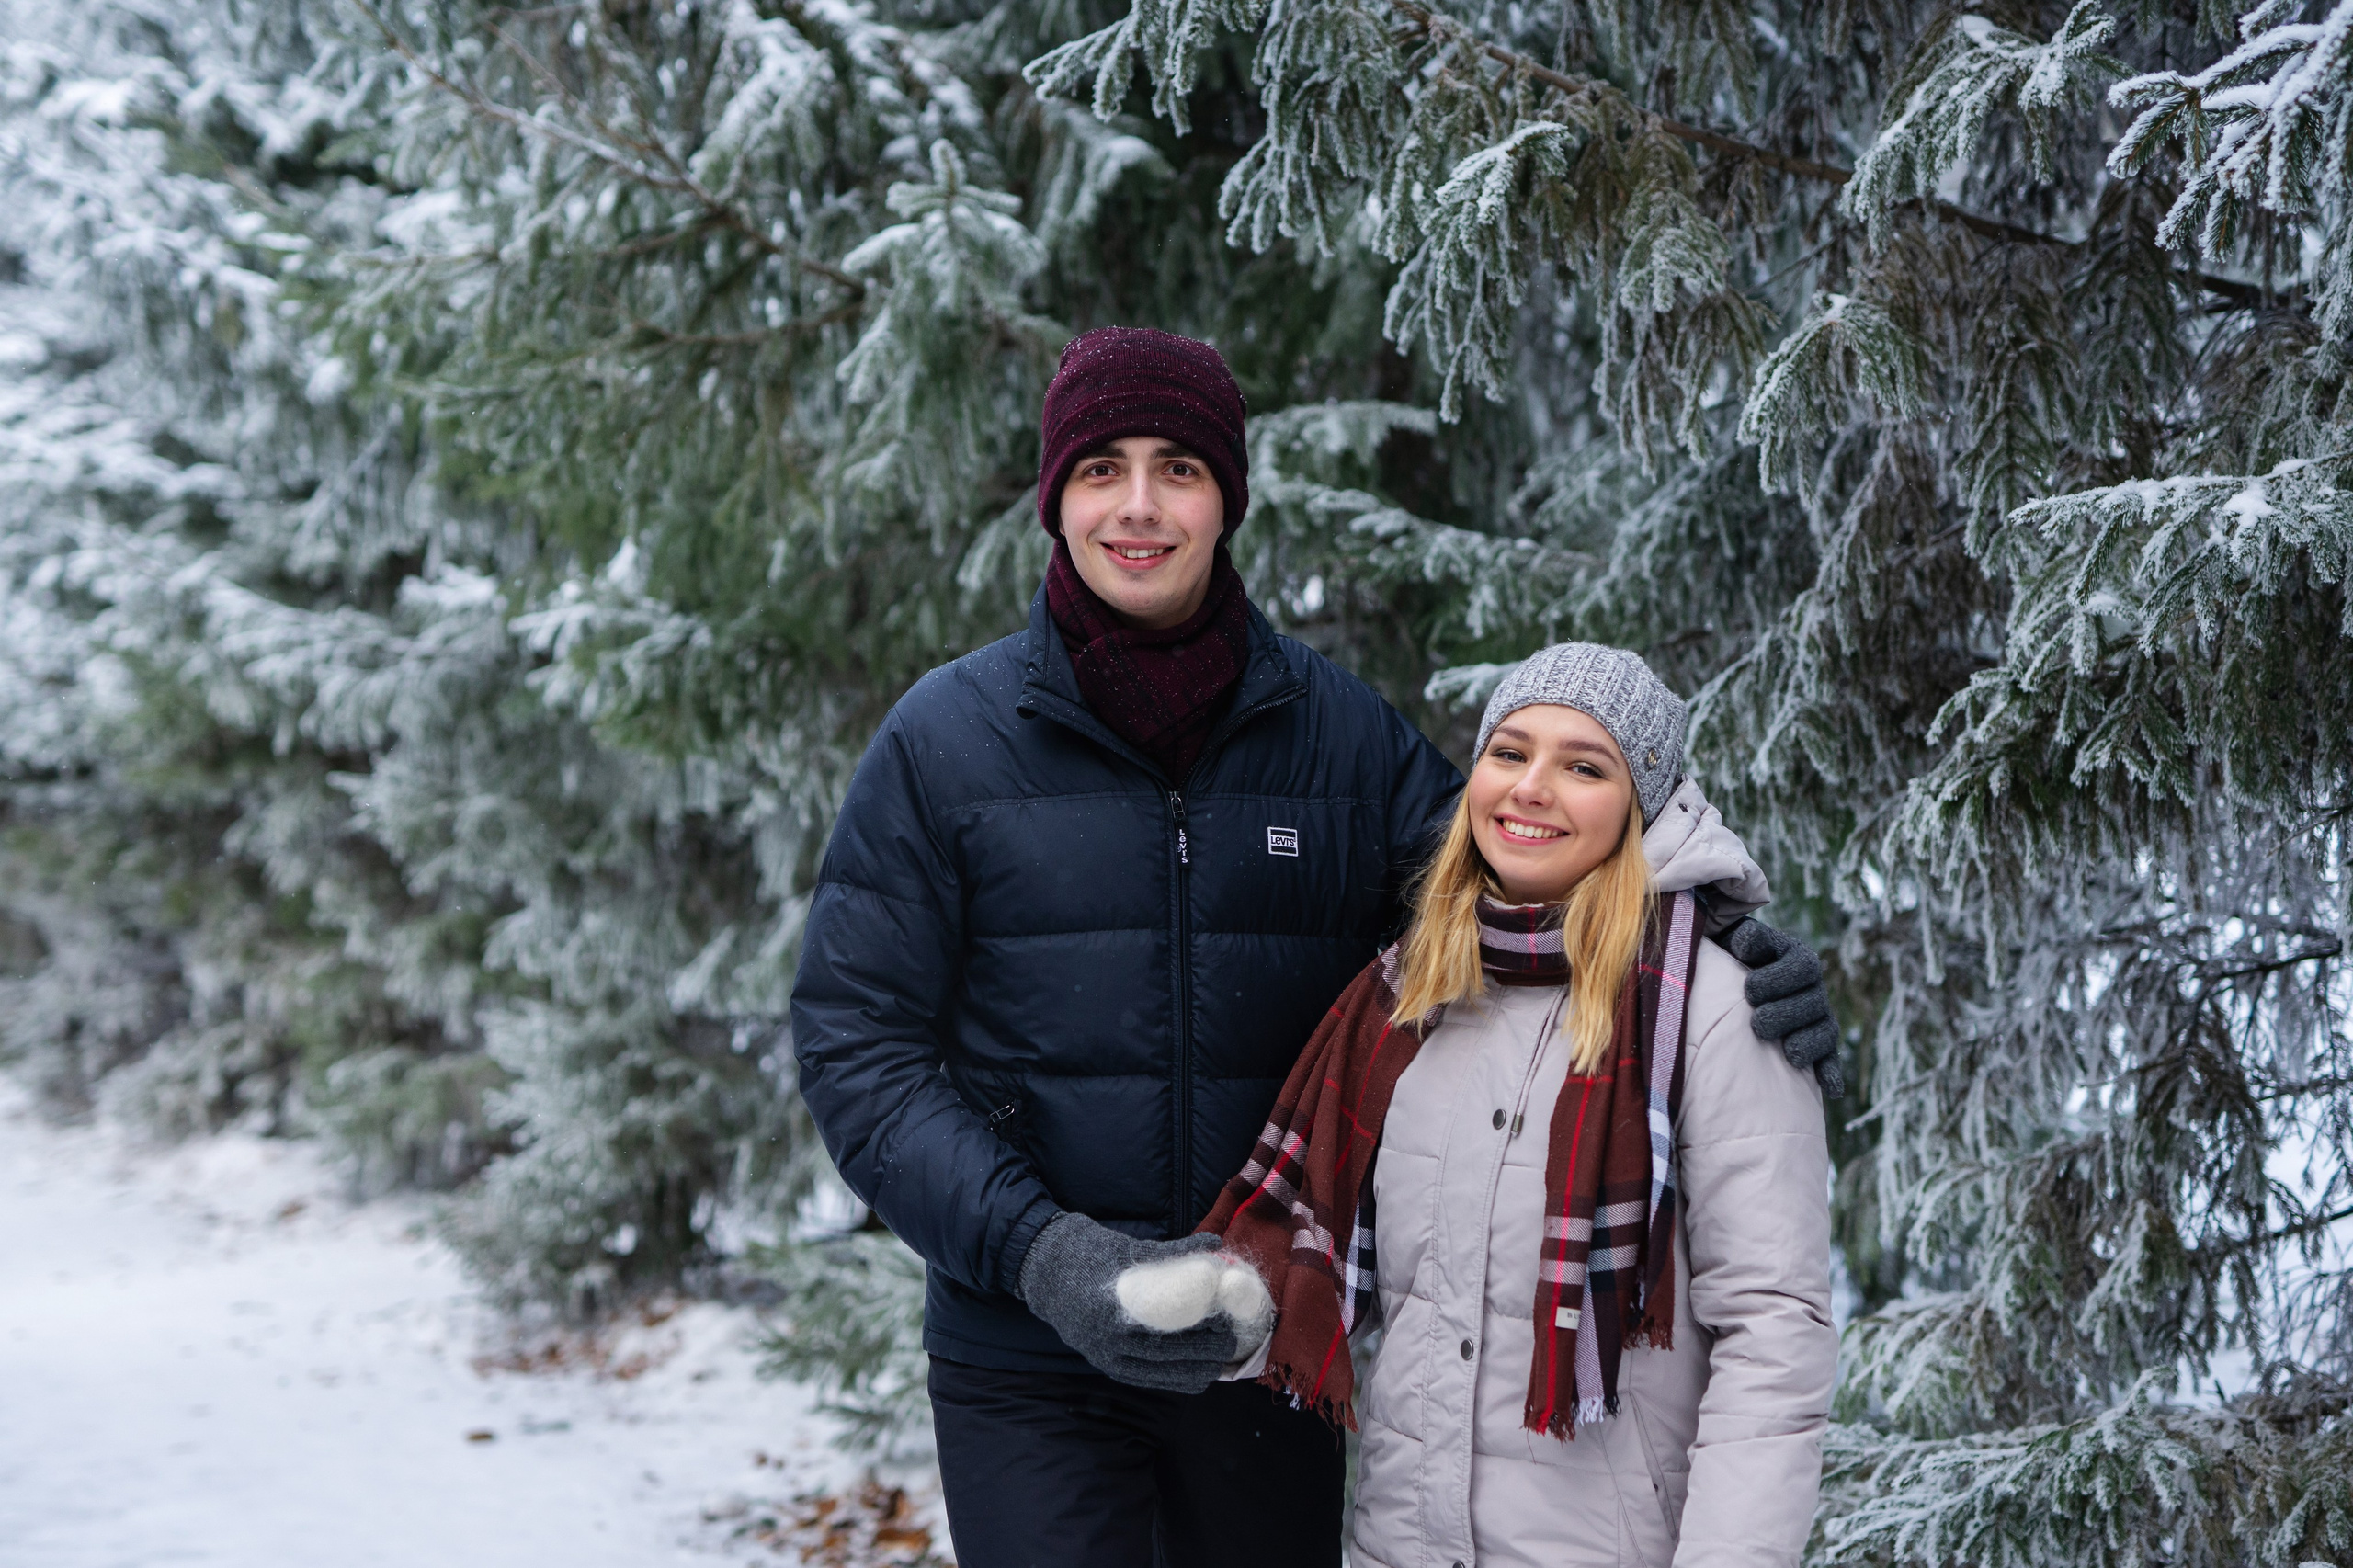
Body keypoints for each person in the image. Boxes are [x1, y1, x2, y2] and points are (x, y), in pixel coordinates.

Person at [789, 327, 1839, 1568]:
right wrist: (1039, 1250)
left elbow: (1523, 880)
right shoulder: (944, 744)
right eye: (1100, 468)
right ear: (1054, 497)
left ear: (1225, 497)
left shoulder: (1337, 736)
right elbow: (859, 1047)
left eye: (1179, 467)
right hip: (1029, 1355)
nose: (1138, 504)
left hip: (1271, 1344)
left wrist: (1720, 938)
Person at [1199, 643, 1838, 1568]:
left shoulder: (1712, 1009)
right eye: (1509, 752)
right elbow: (1345, 1276)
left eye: (1584, 765)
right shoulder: (1410, 995)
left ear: (1642, 803)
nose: (1530, 787)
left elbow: (1773, 1337)